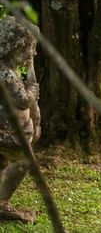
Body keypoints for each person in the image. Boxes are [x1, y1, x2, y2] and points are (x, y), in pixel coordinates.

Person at [0, 16, 41, 224]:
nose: (32, 54)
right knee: (25, 162)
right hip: (7, 132)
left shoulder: (10, 70)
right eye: (29, 48)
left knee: (3, 163)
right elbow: (24, 100)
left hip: (12, 130)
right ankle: (2, 203)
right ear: (14, 45)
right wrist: (33, 88)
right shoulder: (5, 73)